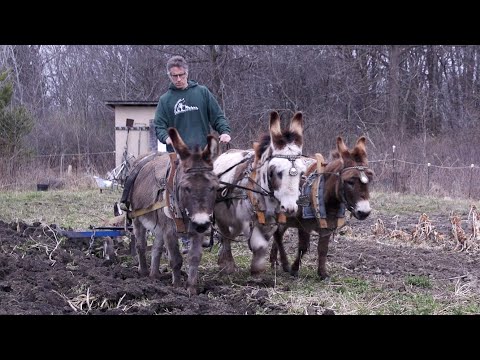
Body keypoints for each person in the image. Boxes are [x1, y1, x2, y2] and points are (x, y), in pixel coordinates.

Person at [155, 55, 232, 254]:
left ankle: (211, 226)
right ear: (169, 76)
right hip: (180, 156)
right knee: (176, 188)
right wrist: (166, 138)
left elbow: (217, 116)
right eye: (174, 76)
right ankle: (183, 231)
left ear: (187, 73)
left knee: (213, 186)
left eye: (181, 75)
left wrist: (224, 131)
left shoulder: (202, 93)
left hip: (203, 155)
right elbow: (160, 126)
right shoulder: (165, 100)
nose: (178, 79)